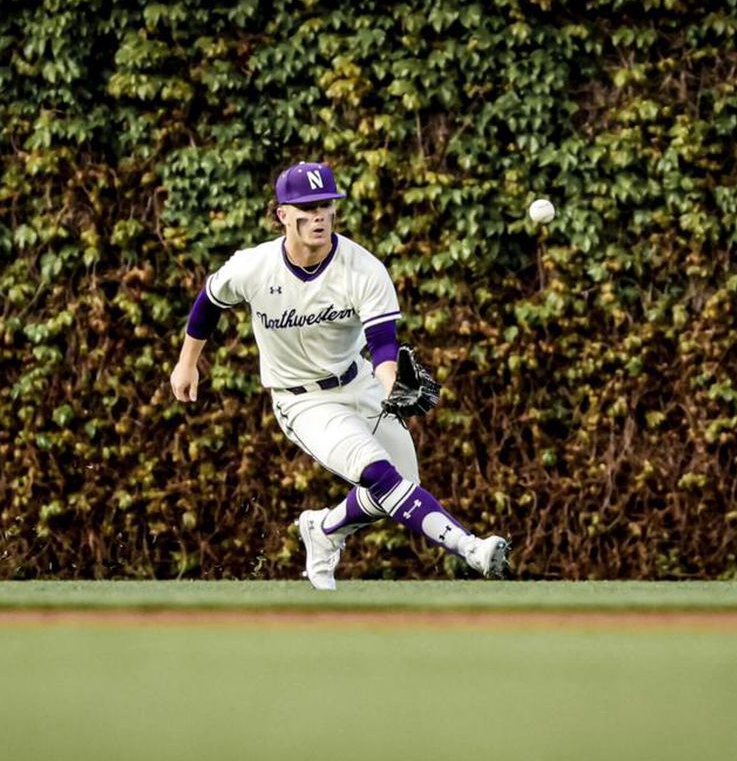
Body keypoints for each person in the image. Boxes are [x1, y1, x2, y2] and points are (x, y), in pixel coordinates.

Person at [169, 161, 509, 589]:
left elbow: (383, 343)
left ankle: (324, 529)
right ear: (283, 215)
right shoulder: (253, 267)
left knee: (399, 491)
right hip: (302, 400)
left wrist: (391, 384)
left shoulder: (362, 269)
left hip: (358, 381)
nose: (318, 215)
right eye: (306, 207)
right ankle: (472, 549)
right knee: (379, 475)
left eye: (326, 205)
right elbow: (209, 302)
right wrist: (186, 363)